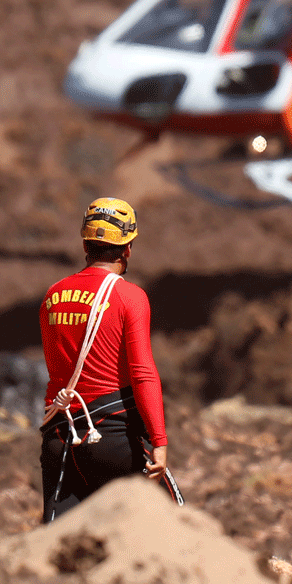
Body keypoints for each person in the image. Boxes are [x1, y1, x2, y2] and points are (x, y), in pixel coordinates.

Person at [38, 197, 181, 521]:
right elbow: (143, 372)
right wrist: (159, 439)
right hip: (112, 436)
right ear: (127, 248)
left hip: (59, 437)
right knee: (174, 525)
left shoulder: (53, 295)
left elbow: (56, 367)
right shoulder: (130, 297)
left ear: (85, 244)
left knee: (60, 546)